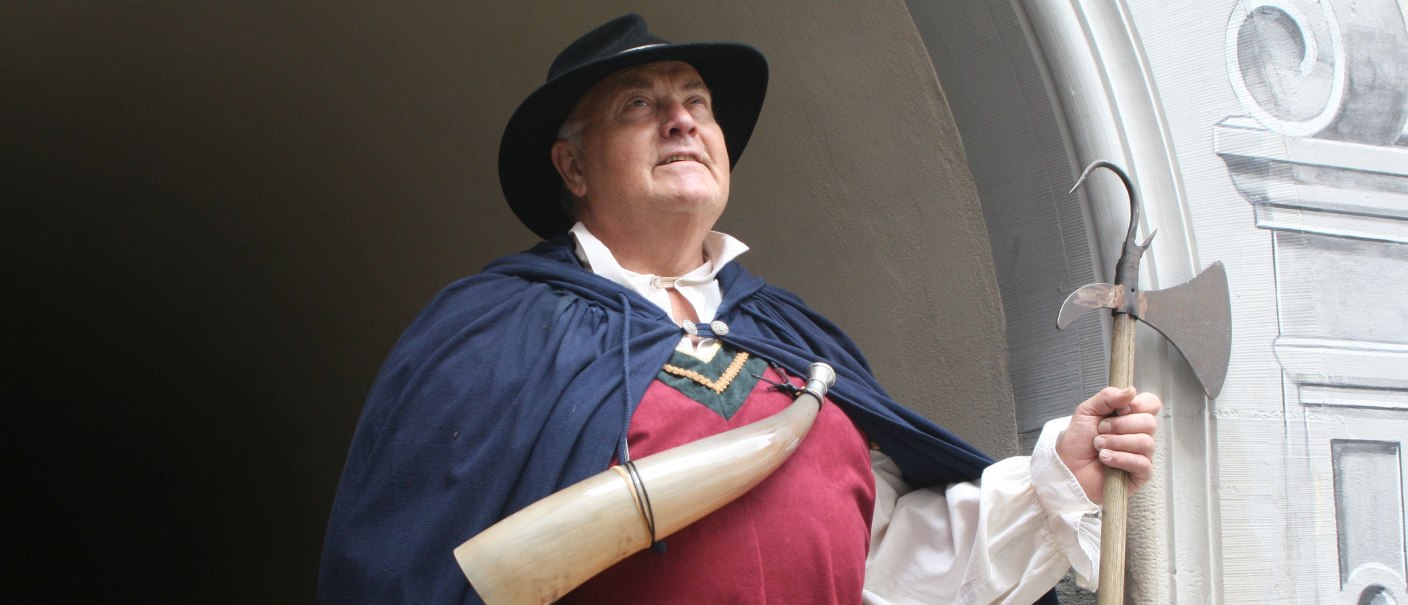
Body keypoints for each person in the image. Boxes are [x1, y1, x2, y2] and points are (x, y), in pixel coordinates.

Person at [319, 14, 1161, 605]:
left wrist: (1061, 474)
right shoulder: (492, 334)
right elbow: (409, 572)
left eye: (699, 103)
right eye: (639, 105)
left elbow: (891, 565)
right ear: (572, 168)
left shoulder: (792, 338)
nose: (683, 119)